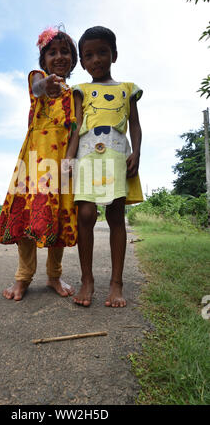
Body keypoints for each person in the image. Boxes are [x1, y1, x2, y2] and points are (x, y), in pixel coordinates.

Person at [0, 26, 78, 301]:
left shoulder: (74, 95)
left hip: (61, 164)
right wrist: (46, 84)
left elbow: (77, 130)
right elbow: (37, 87)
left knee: (58, 220)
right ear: (43, 62)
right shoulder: (38, 82)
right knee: (28, 218)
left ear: (73, 59)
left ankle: (54, 275)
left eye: (65, 52)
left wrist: (70, 161)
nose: (59, 57)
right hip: (33, 164)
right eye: (52, 53)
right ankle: (22, 277)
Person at [65, 26, 143, 307]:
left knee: (115, 216)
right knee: (85, 215)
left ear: (114, 54)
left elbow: (135, 125)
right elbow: (76, 128)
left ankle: (116, 283)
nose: (96, 59)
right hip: (87, 159)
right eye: (88, 55)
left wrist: (137, 152)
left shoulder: (127, 89)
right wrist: (69, 158)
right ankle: (87, 280)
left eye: (102, 52)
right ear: (82, 62)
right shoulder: (81, 90)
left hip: (117, 158)